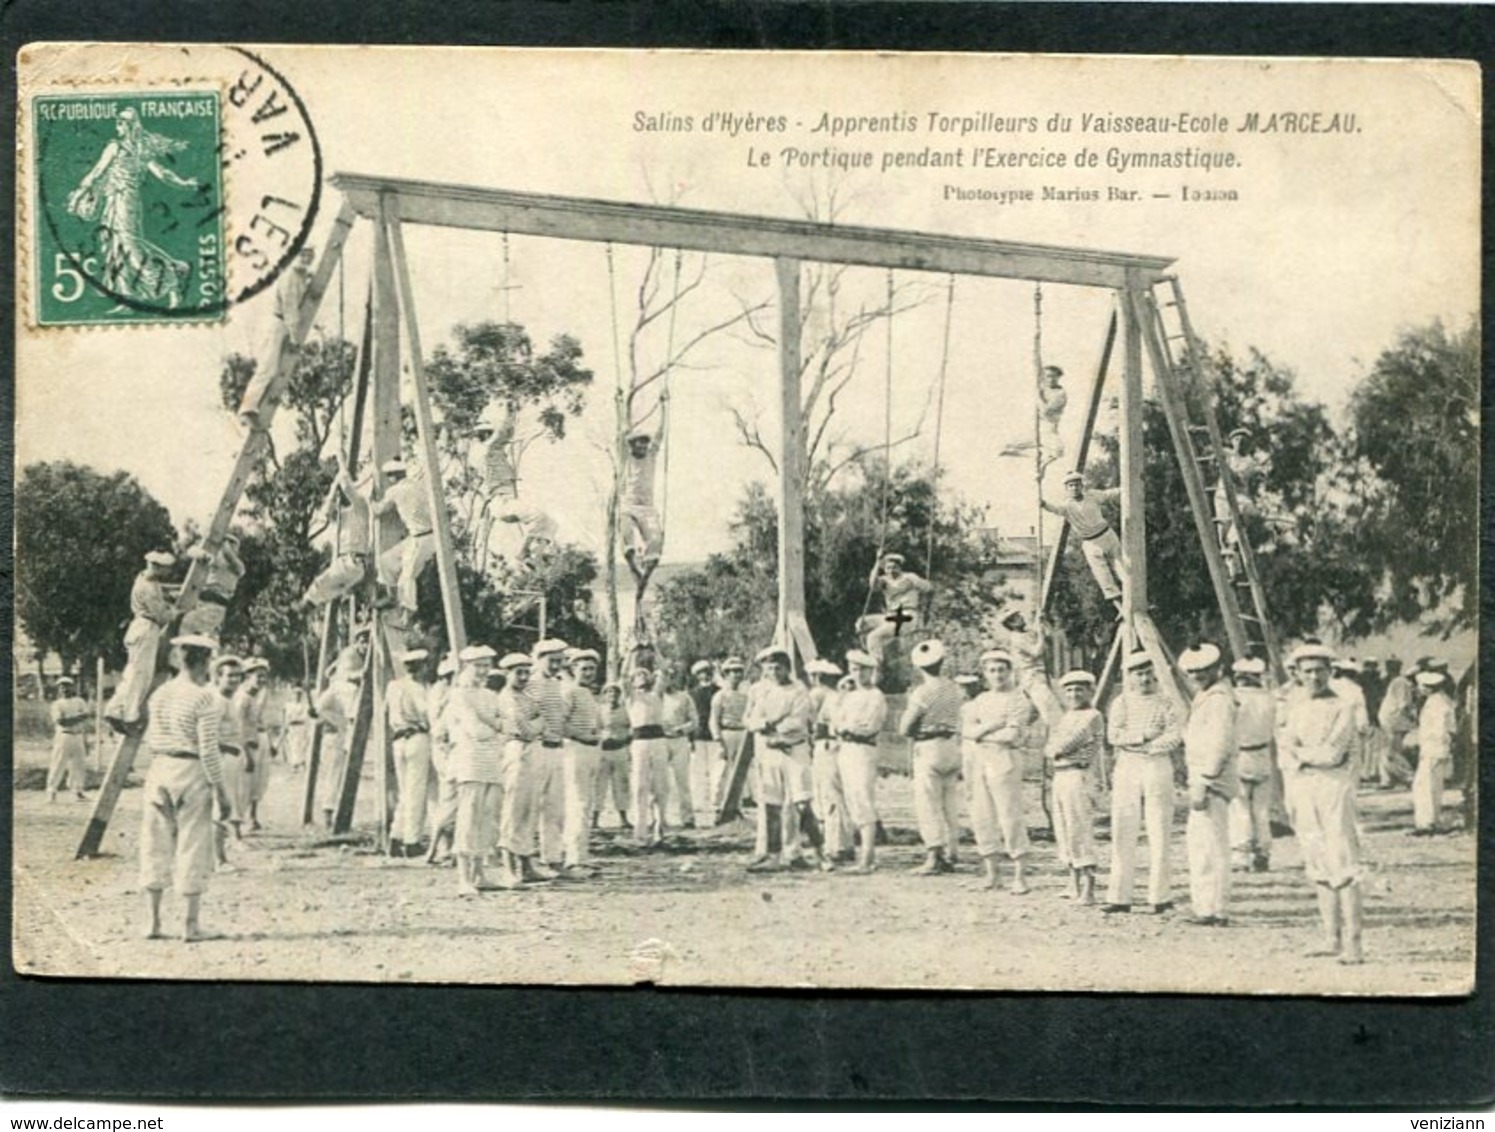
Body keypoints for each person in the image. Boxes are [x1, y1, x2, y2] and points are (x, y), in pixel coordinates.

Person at [137, 634, 231, 942]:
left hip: (159, 767)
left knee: (155, 842)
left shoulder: (159, 693)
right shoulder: (205, 697)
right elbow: (208, 750)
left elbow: (151, 737)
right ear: (205, 661)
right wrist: (221, 790)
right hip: (189, 770)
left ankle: (152, 922)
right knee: (193, 843)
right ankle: (190, 926)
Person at [66, 107, 200, 308]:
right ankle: (126, 297)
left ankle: (172, 278)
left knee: (130, 247)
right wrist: (80, 192)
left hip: (125, 203)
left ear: (130, 126)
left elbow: (161, 173)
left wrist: (183, 183)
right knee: (115, 247)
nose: (117, 126)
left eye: (121, 123)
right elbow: (98, 173)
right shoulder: (130, 149)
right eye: (117, 122)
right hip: (114, 201)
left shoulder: (126, 148)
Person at [1279, 643, 1363, 964]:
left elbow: (1333, 754)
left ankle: (1354, 943)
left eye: (1320, 670)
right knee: (1317, 862)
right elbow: (1285, 750)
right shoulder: (1296, 708)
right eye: (1308, 670)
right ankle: (1331, 938)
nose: (1314, 676)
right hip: (1304, 788)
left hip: (1335, 788)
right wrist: (1301, 758)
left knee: (1343, 861)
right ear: (1297, 674)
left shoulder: (1344, 706)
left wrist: (1302, 755)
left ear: (1331, 671)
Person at [1102, 652, 1182, 914]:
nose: (1145, 678)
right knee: (1124, 826)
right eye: (1139, 674)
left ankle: (1160, 896)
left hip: (1157, 764)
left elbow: (1175, 735)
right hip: (1128, 765)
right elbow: (1113, 735)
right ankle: (1119, 896)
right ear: (1130, 677)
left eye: (1148, 673)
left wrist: (1152, 747)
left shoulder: (1167, 701)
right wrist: (1142, 737)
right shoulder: (1121, 702)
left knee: (1159, 826)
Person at [962, 648, 1037, 893]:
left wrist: (983, 731)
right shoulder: (980, 700)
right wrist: (994, 726)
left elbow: (1012, 734)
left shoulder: (1018, 699)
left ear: (1009, 671)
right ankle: (992, 874)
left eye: (1001, 670)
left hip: (1004, 760)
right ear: (985, 673)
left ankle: (1020, 876)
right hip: (979, 761)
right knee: (981, 815)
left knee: (1009, 815)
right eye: (992, 670)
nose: (997, 675)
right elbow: (967, 731)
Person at [746, 646, 827, 872]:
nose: (773, 672)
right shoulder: (761, 691)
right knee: (772, 805)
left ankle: (820, 853)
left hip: (795, 752)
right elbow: (751, 720)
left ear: (787, 669)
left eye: (778, 668)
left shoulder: (799, 690)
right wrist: (766, 725)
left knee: (802, 803)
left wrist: (771, 726)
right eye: (769, 668)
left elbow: (797, 721)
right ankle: (774, 855)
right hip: (770, 752)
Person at [1179, 644, 1238, 927]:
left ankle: (1215, 909)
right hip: (1200, 777)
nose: (1198, 676)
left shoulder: (1219, 699)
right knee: (1201, 845)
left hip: (1211, 781)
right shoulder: (1207, 697)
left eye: (1203, 671)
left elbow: (1219, 744)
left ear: (1217, 669)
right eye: (1192, 672)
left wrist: (1205, 780)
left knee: (1211, 846)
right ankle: (1206, 906)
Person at [900, 638, 964, 876]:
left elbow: (904, 727)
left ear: (918, 667)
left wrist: (916, 727)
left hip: (929, 746)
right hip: (951, 745)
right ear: (942, 661)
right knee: (949, 802)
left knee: (928, 802)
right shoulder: (955, 689)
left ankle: (934, 855)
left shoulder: (923, 692)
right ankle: (951, 851)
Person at [446, 645, 507, 893]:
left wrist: (495, 726)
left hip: (493, 761)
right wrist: (495, 727)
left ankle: (480, 874)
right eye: (477, 666)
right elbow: (477, 730)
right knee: (468, 818)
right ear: (465, 667)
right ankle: (463, 878)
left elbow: (506, 723)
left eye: (486, 665)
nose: (483, 671)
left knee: (488, 818)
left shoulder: (490, 695)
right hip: (470, 761)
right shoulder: (459, 695)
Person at [104, 550, 177, 733]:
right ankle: (129, 716)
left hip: (140, 627)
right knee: (140, 675)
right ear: (157, 566)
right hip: (147, 628)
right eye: (165, 568)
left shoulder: (143, 579)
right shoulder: (149, 587)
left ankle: (116, 709)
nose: (168, 572)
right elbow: (162, 616)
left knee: (133, 672)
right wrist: (175, 611)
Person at [496, 652, 551, 883]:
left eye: (526, 672)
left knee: (530, 807)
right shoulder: (506, 698)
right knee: (514, 808)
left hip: (531, 750)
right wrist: (537, 723)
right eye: (518, 672)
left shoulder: (527, 696)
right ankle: (508, 867)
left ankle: (526, 864)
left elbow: (543, 722)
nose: (523, 677)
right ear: (508, 674)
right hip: (515, 749)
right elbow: (526, 728)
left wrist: (537, 723)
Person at [833, 650, 888, 875]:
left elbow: (870, 725)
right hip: (846, 748)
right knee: (853, 798)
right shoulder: (850, 696)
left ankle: (868, 857)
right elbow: (835, 721)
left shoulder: (875, 696)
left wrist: (847, 727)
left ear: (871, 671)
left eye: (863, 670)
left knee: (863, 798)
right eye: (854, 669)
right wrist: (842, 725)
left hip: (863, 748)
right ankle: (863, 855)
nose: (858, 674)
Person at [1040, 472, 1125, 613]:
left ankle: (1136, 601)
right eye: (1070, 486)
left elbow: (1109, 494)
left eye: (1076, 484)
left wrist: (1126, 488)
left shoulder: (1092, 495)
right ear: (1066, 489)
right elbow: (1054, 509)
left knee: (1123, 567)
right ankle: (1121, 609)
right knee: (1103, 577)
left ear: (1081, 485)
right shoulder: (1066, 506)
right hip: (1090, 543)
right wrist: (1043, 504)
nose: (1074, 488)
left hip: (1107, 535)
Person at [302, 453, 373, 608]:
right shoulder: (344, 516)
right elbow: (327, 511)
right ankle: (309, 606)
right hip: (350, 565)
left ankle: (303, 606)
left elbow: (345, 483)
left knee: (318, 586)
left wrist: (340, 464)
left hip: (352, 562)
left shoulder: (360, 505)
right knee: (327, 593)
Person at [370, 458, 437, 616]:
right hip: (420, 537)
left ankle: (408, 610)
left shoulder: (395, 491)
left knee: (407, 575)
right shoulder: (418, 486)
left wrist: (370, 500)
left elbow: (378, 511)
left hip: (423, 538)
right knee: (385, 561)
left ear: (392, 476)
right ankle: (392, 597)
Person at [1228, 657, 1276, 872]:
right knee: (1261, 808)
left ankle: (1241, 853)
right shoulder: (1270, 699)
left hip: (1240, 754)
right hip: (1263, 753)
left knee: (1240, 806)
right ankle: (1263, 852)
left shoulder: (1233, 699)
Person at [529, 638, 572, 866]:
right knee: (531, 807)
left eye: (560, 661)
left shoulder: (558, 682)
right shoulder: (531, 683)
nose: (556, 666)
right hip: (537, 748)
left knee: (555, 808)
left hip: (557, 748)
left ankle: (553, 859)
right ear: (539, 660)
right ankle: (524, 861)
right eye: (552, 661)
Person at [560, 648, 603, 875]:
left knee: (587, 803)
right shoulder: (569, 692)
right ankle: (573, 859)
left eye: (592, 669)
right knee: (578, 803)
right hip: (575, 750)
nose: (588, 673)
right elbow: (559, 723)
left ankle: (582, 856)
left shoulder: (588, 693)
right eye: (584, 668)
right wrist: (582, 736)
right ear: (573, 669)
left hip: (591, 752)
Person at [387, 649, 433, 858]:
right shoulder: (417, 688)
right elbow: (426, 712)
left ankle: (396, 837)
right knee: (416, 792)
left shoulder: (393, 686)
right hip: (416, 737)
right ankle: (412, 841)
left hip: (398, 739)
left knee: (406, 791)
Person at [808, 659, 852, 862]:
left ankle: (835, 845)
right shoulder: (842, 696)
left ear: (817, 677)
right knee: (840, 794)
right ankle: (844, 841)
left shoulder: (818, 695)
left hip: (826, 745)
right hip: (841, 746)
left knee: (828, 794)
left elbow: (812, 722)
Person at [862, 553, 933, 666]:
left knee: (873, 637)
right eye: (888, 568)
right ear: (884, 569)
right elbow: (872, 584)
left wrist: (926, 608)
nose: (891, 571)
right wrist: (877, 561)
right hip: (891, 616)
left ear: (900, 568)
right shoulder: (884, 581)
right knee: (862, 622)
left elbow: (928, 588)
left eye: (894, 567)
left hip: (907, 616)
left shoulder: (910, 578)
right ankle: (880, 651)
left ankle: (876, 664)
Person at [627, 666, 671, 848]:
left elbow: (664, 672)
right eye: (637, 675)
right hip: (639, 742)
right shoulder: (630, 697)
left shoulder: (656, 695)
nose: (641, 677)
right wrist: (631, 653)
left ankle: (659, 825)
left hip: (659, 740)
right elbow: (623, 676)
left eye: (644, 674)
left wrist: (654, 648)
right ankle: (640, 830)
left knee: (661, 785)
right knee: (639, 786)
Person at [1411, 669, 1456, 835]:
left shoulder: (1436, 704)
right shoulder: (1441, 700)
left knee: (1424, 787)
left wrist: (1425, 744)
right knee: (1433, 786)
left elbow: (1439, 730)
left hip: (1433, 749)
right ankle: (1431, 820)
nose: (1419, 689)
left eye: (1421, 686)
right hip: (1435, 749)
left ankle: (1426, 823)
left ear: (1429, 687)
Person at [621, 428, 665, 596]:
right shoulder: (627, 458)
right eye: (640, 443)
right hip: (629, 505)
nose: (643, 447)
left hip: (647, 508)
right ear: (633, 445)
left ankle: (644, 577)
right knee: (627, 535)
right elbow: (622, 439)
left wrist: (663, 407)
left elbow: (659, 435)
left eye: (645, 444)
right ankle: (632, 563)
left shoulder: (651, 456)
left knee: (656, 541)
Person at [425, 655, 459, 865]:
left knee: (451, 802)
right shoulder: (443, 694)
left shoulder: (445, 693)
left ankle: (446, 849)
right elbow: (439, 731)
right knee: (450, 800)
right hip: (446, 752)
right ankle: (436, 849)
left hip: (447, 750)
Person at [314, 664, 357, 830]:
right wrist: (328, 720)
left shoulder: (350, 690)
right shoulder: (333, 691)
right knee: (333, 776)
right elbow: (316, 712)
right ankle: (328, 817)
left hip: (345, 735)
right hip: (334, 738)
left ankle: (339, 816)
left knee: (342, 777)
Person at [179, 533, 245, 638]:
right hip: (202, 601)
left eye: (233, 544)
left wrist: (224, 545)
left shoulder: (238, 565)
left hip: (216, 605)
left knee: (191, 627)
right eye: (228, 542)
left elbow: (230, 557)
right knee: (187, 629)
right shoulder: (215, 558)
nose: (230, 546)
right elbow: (190, 551)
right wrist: (204, 555)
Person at [708, 657, 750, 816]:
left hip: (742, 733)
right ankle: (717, 806)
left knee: (739, 771)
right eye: (733, 672)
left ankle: (736, 806)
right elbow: (713, 720)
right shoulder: (720, 696)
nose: (737, 675)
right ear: (726, 674)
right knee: (722, 770)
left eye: (739, 671)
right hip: (726, 733)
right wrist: (718, 740)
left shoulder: (745, 695)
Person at [661, 666, 700, 830]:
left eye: (669, 677)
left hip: (679, 741)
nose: (665, 681)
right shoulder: (653, 698)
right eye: (662, 678)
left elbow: (694, 721)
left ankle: (687, 817)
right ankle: (659, 818)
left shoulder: (684, 697)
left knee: (682, 780)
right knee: (660, 781)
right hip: (660, 741)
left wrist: (682, 729)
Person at [594, 681, 632, 830]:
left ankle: (623, 818)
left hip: (620, 750)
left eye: (615, 692)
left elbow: (632, 728)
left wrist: (625, 738)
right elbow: (595, 729)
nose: (612, 695)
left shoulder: (625, 710)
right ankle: (595, 819)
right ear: (604, 695)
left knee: (621, 785)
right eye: (609, 692)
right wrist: (602, 737)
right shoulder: (599, 710)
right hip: (603, 751)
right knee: (599, 785)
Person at [46, 676, 91, 803]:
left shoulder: (79, 701)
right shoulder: (57, 704)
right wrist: (78, 717)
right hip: (64, 736)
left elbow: (86, 716)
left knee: (79, 764)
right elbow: (61, 722)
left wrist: (73, 719)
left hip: (78, 735)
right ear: (59, 689)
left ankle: (78, 792)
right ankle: (51, 791)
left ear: (73, 687)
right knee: (58, 763)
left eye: (67, 685)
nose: (65, 689)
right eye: (62, 686)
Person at [239, 659, 271, 832]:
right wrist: (245, 751)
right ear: (247, 676)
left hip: (261, 738)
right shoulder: (241, 697)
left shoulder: (260, 694)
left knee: (259, 781)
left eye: (264, 676)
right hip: (247, 742)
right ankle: (237, 822)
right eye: (258, 676)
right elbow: (238, 726)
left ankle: (253, 817)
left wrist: (270, 742)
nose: (261, 680)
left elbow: (261, 719)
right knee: (245, 782)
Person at [1376, 658, 1416, 789]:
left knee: (1391, 752)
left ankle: (1409, 776)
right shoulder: (1396, 681)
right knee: (1385, 750)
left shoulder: (1399, 682)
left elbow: (1403, 704)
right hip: (1389, 720)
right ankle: (1387, 779)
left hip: (1394, 721)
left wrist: (1409, 718)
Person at [282, 687, 311, 772]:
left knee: (301, 745)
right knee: (292, 745)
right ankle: (294, 764)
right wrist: (285, 725)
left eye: (299, 694)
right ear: (292, 694)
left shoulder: (304, 706)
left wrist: (297, 719)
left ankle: (301, 763)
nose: (297, 696)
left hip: (301, 727)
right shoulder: (288, 705)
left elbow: (305, 717)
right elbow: (286, 717)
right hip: (291, 727)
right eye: (295, 694)